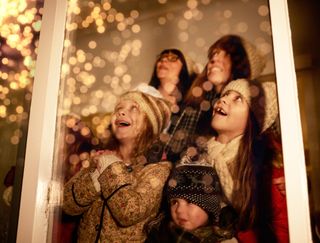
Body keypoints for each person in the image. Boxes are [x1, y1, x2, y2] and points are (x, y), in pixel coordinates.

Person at [62, 91, 172, 243]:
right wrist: (95, 178)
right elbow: (67, 204)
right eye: (118, 108)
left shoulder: (158, 169)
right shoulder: (100, 157)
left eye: (134, 108)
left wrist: (110, 168)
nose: (121, 112)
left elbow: (129, 213)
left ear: (150, 124)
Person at [207, 78, 289, 242]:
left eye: (238, 99)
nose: (222, 99)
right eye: (226, 94)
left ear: (253, 120)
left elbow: (283, 230)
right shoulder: (197, 156)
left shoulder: (265, 168)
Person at [165, 35, 266, 163]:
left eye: (227, 54)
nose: (214, 58)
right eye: (214, 53)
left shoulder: (255, 110)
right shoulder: (195, 101)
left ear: (242, 66)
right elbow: (173, 147)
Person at [145, 160, 238, 243]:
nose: (179, 210)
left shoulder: (224, 238)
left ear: (210, 206)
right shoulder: (160, 233)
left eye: (189, 201)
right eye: (174, 202)